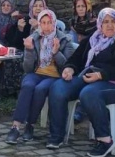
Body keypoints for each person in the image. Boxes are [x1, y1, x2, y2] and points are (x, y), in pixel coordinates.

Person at [47, 8, 115, 157]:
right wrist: (70, 68)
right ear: (100, 24)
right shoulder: (92, 39)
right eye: (105, 22)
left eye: (113, 22)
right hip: (89, 77)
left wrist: (101, 74)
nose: (109, 25)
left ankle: (105, 140)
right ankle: (56, 136)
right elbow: (76, 59)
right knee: (58, 87)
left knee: (88, 93)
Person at [5, 10, 75, 144]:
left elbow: (69, 65)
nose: (47, 26)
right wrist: (30, 50)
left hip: (54, 76)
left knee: (40, 89)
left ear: (54, 23)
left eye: (49, 23)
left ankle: (30, 125)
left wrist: (56, 52)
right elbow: (27, 68)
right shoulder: (35, 38)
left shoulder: (64, 39)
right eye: (43, 23)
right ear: (39, 24)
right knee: (27, 85)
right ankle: (15, 127)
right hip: (36, 73)